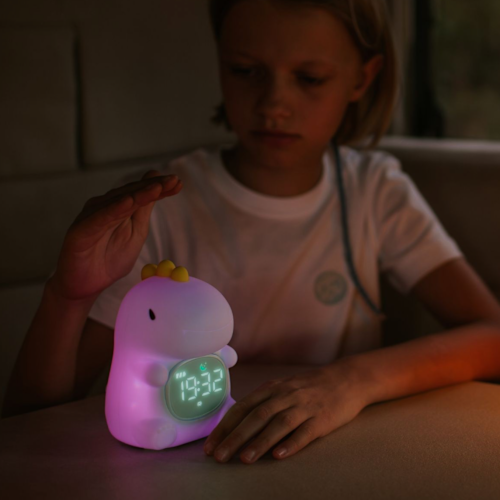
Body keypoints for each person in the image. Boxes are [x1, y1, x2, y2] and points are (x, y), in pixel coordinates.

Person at [4, 0, 500, 466]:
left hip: (329, 457)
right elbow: (33, 422)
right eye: (246, 71)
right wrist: (68, 296)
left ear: (361, 78)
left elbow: (492, 334)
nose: (274, 105)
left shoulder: (374, 192)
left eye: (310, 78)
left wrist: (352, 380)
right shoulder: (160, 208)